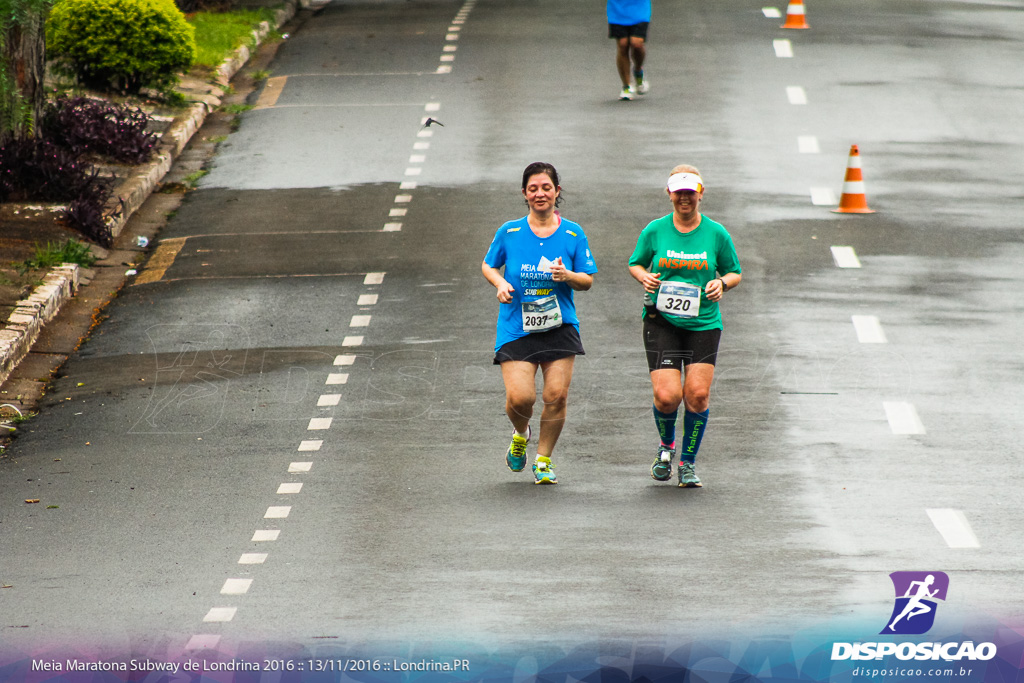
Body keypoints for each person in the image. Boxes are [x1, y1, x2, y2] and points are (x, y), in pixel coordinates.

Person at [482, 162, 598, 485]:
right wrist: (500, 284)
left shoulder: (573, 233)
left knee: (556, 394)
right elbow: (489, 265)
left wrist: (568, 276)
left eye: (546, 187)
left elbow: (586, 280)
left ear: (557, 191)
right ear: (524, 194)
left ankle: (544, 459)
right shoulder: (510, 231)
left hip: (559, 325)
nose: (540, 194)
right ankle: (521, 433)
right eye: (533, 188)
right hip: (517, 325)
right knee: (521, 399)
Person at [627, 165, 741, 487]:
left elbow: (734, 271)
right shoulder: (655, 230)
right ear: (669, 194)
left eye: (690, 192)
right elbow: (635, 262)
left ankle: (688, 463)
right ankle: (666, 448)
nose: (684, 198)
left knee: (698, 395)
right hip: (661, 321)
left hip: (703, 323)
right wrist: (643, 276)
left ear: (701, 193)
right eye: (678, 192)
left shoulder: (716, 234)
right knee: (667, 397)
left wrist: (723, 284)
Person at [607, 0, 652, 101]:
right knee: (623, 44)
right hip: (617, 9)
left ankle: (638, 71)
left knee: (637, 44)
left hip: (639, 8)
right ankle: (626, 86)